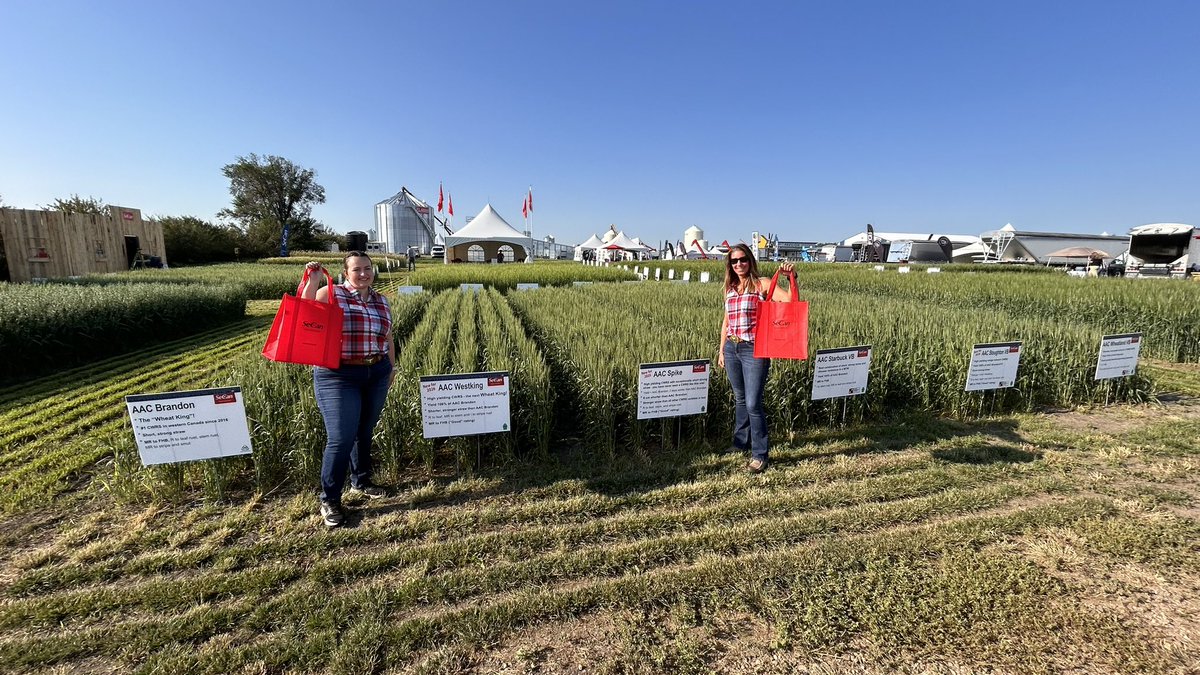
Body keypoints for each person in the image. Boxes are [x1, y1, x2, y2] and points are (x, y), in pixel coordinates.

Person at [301, 252, 396, 527]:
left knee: (364, 431)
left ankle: (361, 481)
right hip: (338, 374)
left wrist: (391, 368)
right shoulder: (331, 294)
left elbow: (387, 337)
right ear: (346, 272)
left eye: (368, 268)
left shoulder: (381, 300)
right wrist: (313, 280)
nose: (364, 274)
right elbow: (305, 312)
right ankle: (329, 499)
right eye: (357, 269)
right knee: (341, 437)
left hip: (376, 371)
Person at [717, 244, 795, 473]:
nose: (738, 264)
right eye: (734, 261)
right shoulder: (730, 287)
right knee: (740, 399)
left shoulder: (762, 284)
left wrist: (791, 278)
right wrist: (722, 350)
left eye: (742, 260)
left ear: (750, 260)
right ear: (729, 265)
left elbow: (789, 302)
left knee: (753, 403)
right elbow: (726, 321)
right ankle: (740, 443)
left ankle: (760, 454)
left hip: (754, 349)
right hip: (732, 348)